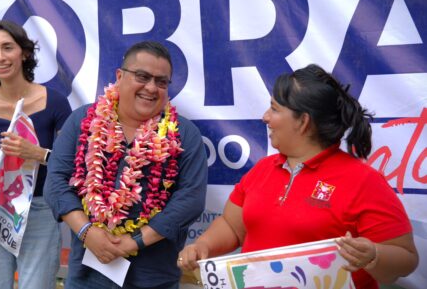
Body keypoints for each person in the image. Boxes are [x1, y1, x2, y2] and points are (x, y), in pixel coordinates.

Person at [178, 64, 418, 289]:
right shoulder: (263, 169)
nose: (265, 117)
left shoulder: (363, 181)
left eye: (274, 109)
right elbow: (232, 226)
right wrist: (203, 246)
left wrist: (374, 254)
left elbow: (406, 258)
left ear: (303, 122)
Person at [45, 41, 208, 289]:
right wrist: (88, 232)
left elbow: (191, 199)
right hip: (88, 274)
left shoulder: (184, 134)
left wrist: (135, 242)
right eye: (142, 76)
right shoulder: (83, 121)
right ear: (120, 77)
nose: (151, 88)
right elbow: (56, 182)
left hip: (153, 277)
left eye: (161, 81)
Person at [0, 20, 72, 289]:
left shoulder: (54, 102)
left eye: (7, 48)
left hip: (41, 211)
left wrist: (38, 153)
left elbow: (74, 167)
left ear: (25, 53)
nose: (0, 57)